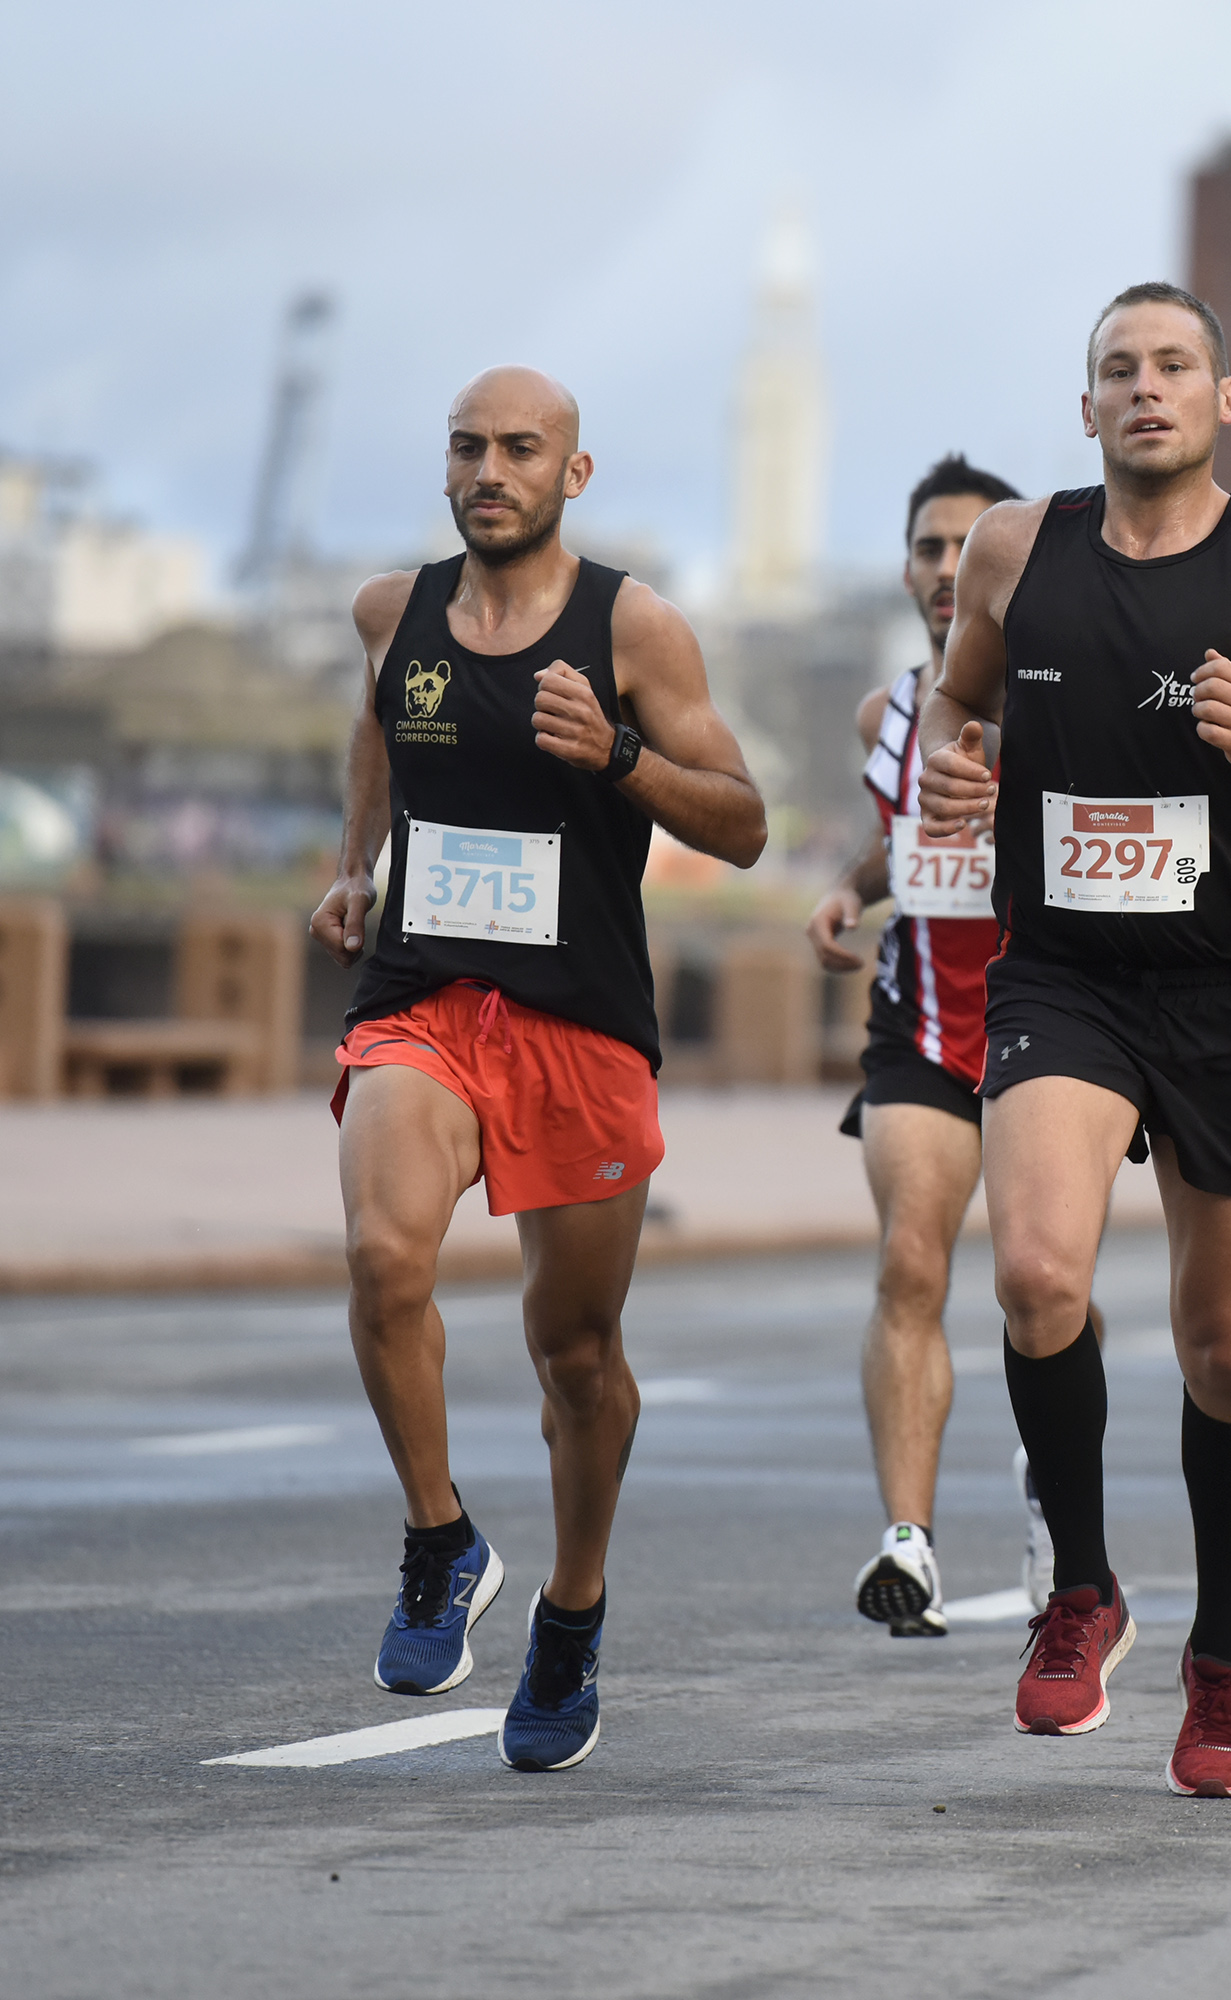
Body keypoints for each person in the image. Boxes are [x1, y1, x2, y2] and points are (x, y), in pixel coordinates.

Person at [916, 284, 1231, 1797]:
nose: (1146, 390)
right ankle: (1081, 1586)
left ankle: (1223, 1656)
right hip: (1062, 975)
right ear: (1084, 410)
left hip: (1225, 991)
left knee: (1224, 1350)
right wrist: (963, 767)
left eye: (1174, 367)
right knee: (1034, 1274)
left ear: (1226, 400)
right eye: (1117, 371)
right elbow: (961, 709)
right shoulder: (1015, 550)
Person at [308, 367, 768, 1770]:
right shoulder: (394, 611)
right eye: (466, 447)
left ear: (574, 474)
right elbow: (381, 727)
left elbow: (744, 822)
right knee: (387, 1260)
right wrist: (355, 869)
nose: (487, 469)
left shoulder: (635, 626)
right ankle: (440, 1540)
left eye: (520, 449)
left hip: (579, 1019)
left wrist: (619, 751)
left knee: (577, 1355)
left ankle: (570, 1610)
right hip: (426, 998)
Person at [807, 453, 1082, 1636]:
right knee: (910, 1264)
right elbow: (903, 842)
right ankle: (907, 1543)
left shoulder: (1069, 699)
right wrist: (851, 889)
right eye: (927, 547)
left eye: (968, 548)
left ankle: (1057, 1495)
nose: (943, 569)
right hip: (919, 1026)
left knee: (1044, 1287)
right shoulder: (889, 714)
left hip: (1053, 1023)